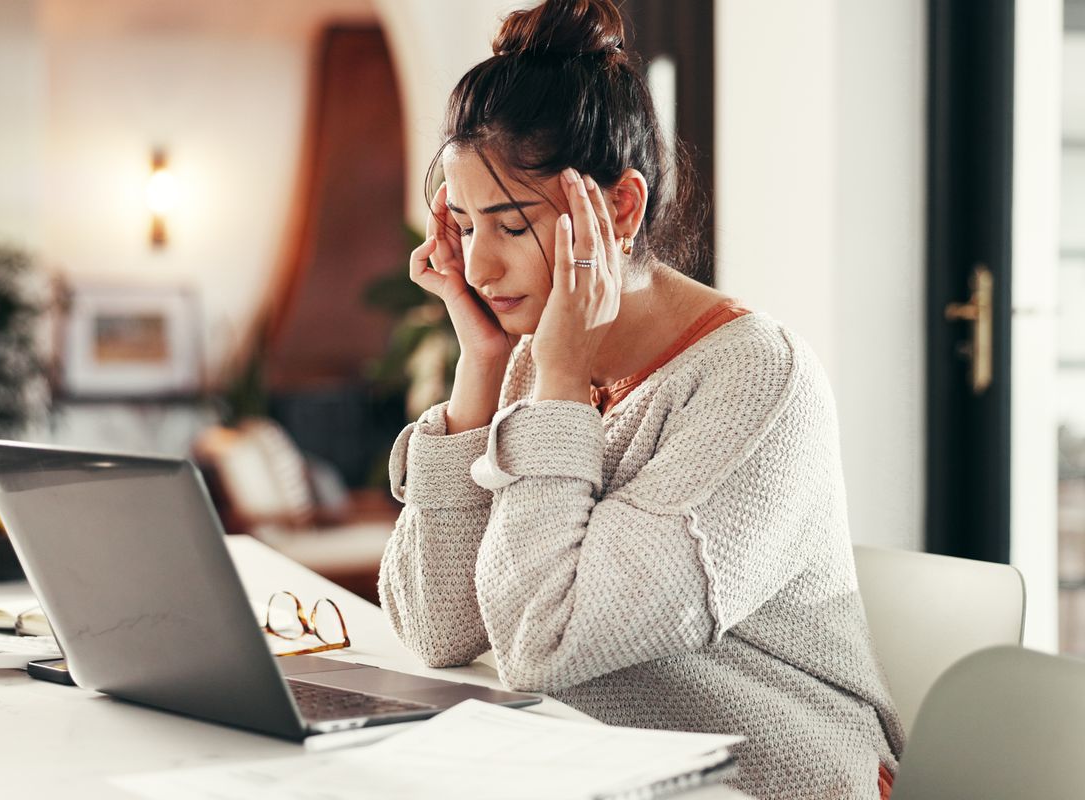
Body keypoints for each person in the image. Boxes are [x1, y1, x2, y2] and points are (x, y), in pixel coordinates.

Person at [377, 1, 904, 797]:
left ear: (619, 208)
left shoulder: (759, 384)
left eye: (512, 226)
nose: (479, 268)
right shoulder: (534, 362)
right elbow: (439, 628)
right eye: (464, 226)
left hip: (770, 781)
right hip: (603, 772)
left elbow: (540, 642)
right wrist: (479, 372)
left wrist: (554, 383)